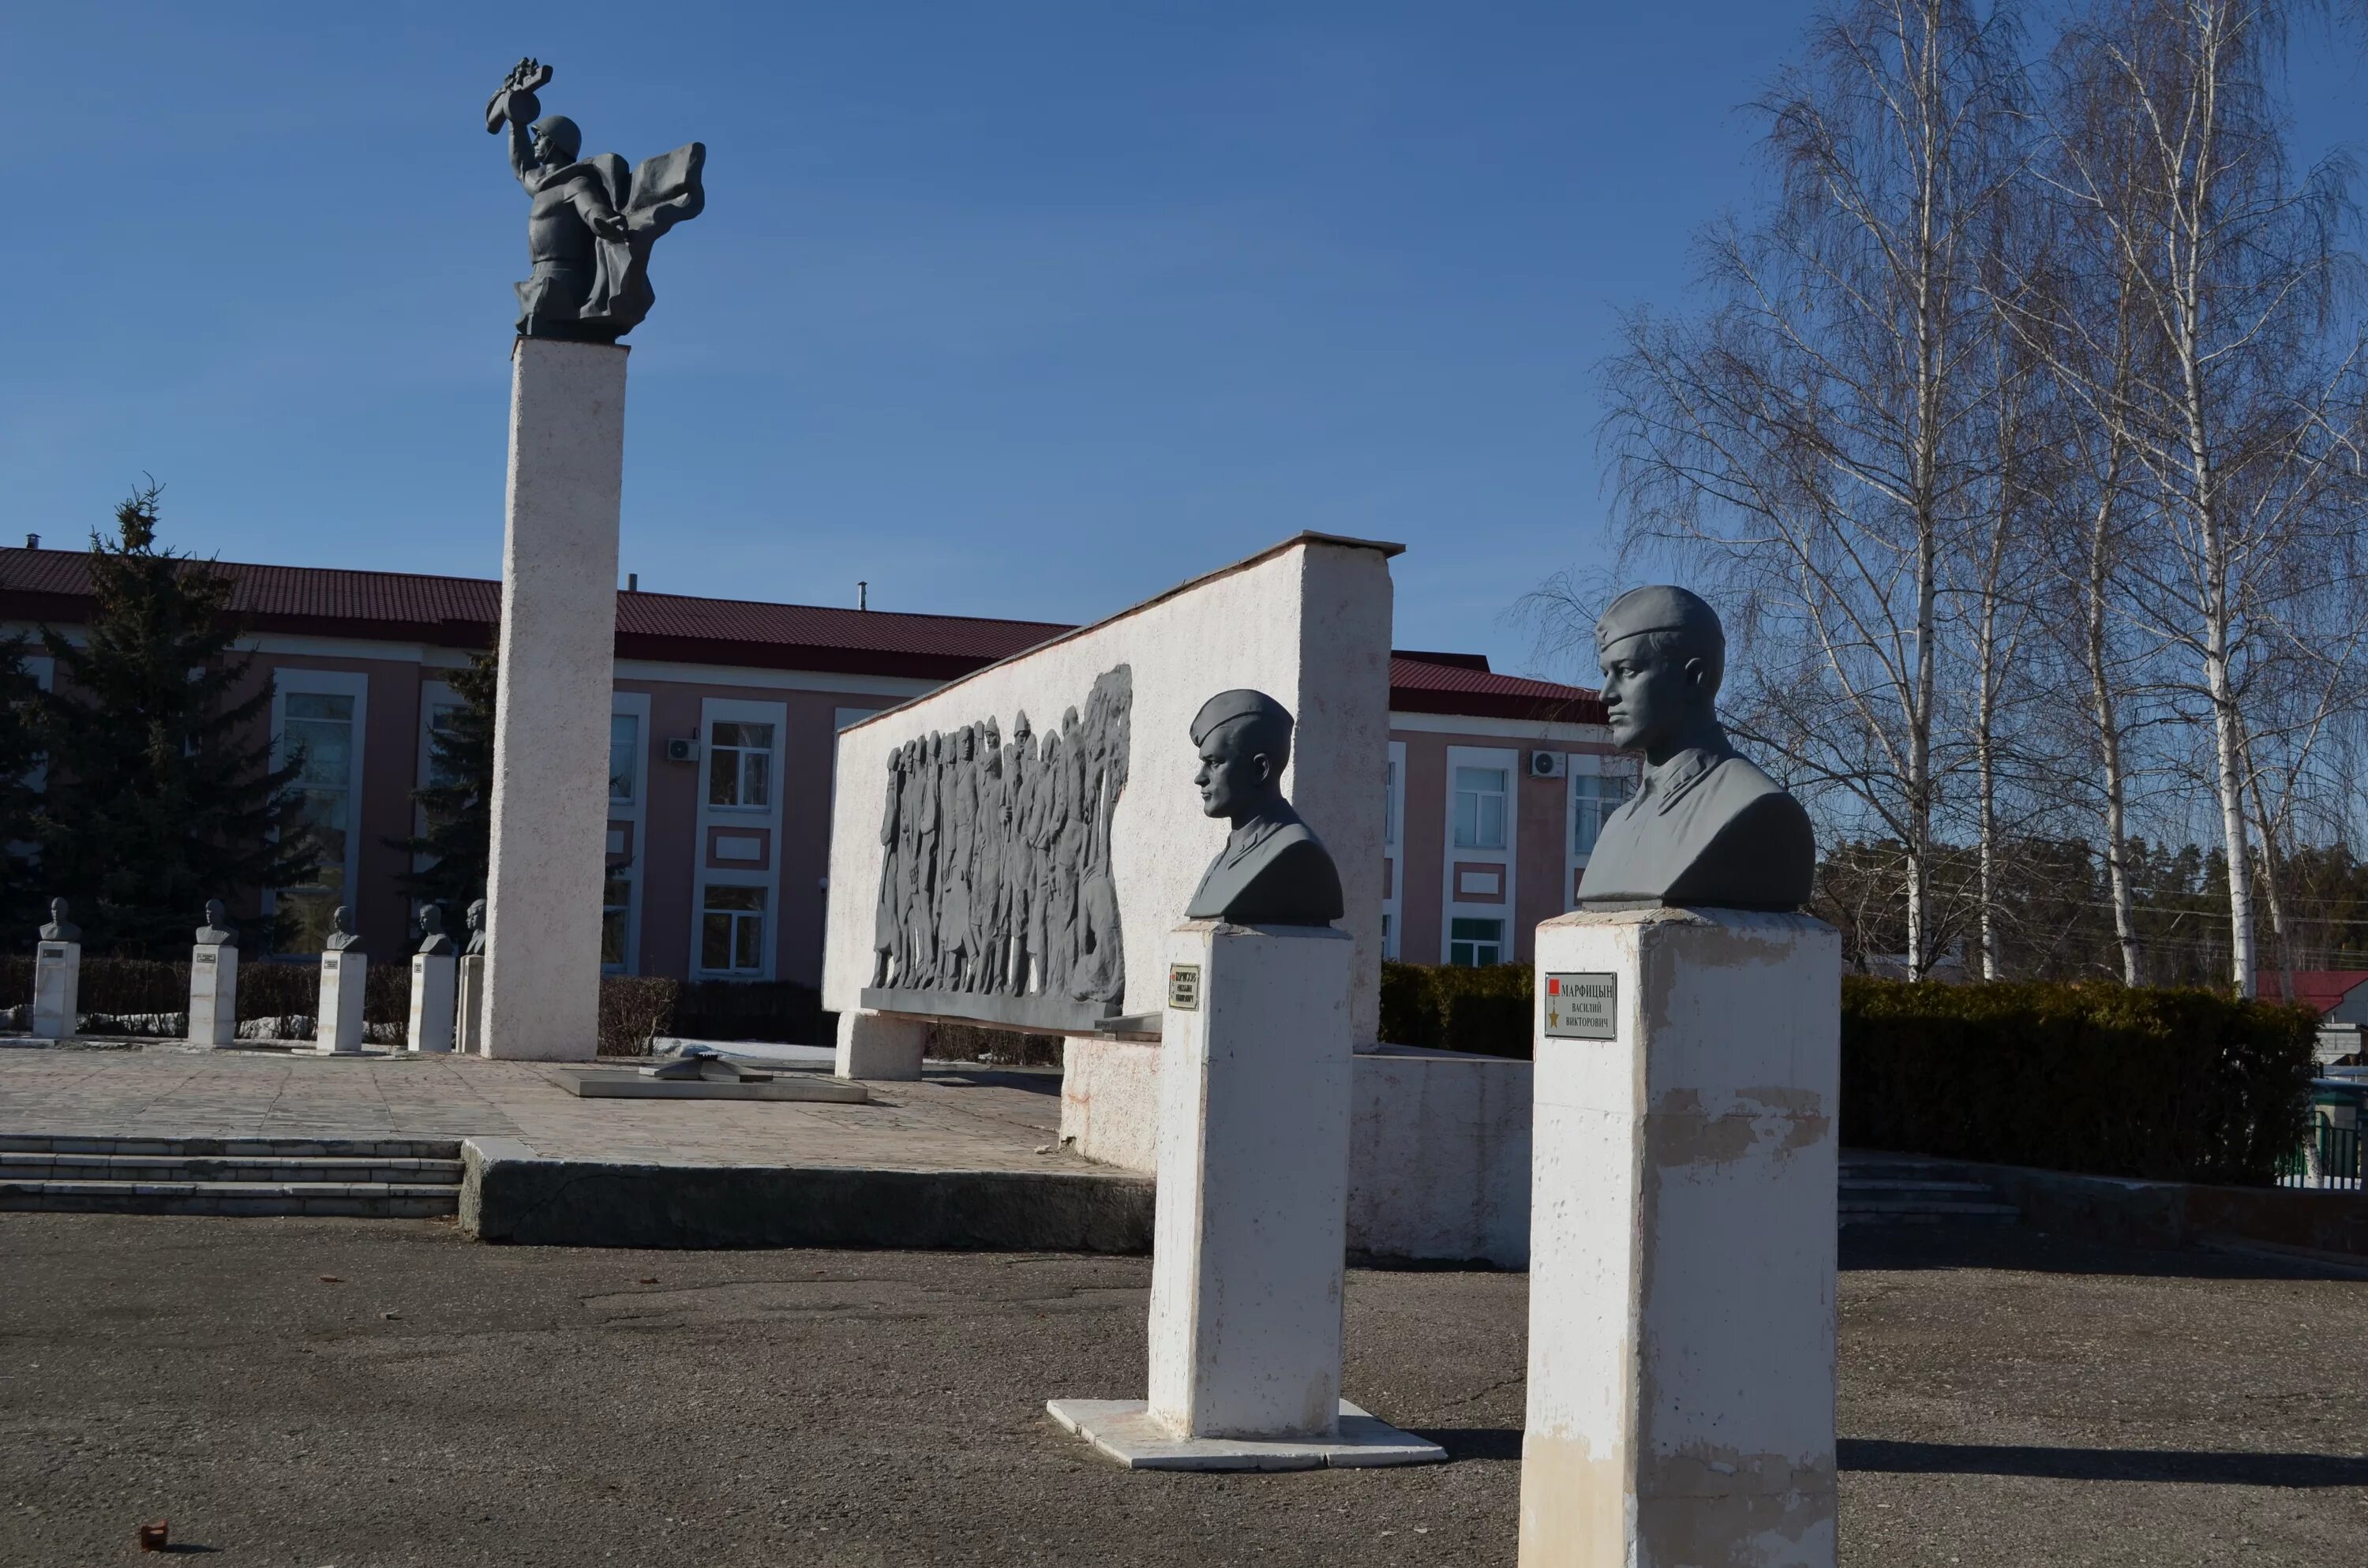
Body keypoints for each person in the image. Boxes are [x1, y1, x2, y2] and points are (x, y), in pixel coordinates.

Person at [1574, 586, 1815, 910]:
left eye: (1626, 671)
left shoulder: (1759, 809)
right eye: (1606, 674)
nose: (1605, 694)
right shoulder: (1620, 823)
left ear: (1694, 677)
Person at [1182, 690, 1343, 926]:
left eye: (1214, 763)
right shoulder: (1222, 860)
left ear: (1260, 769)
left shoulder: (1298, 854)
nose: (1200, 778)